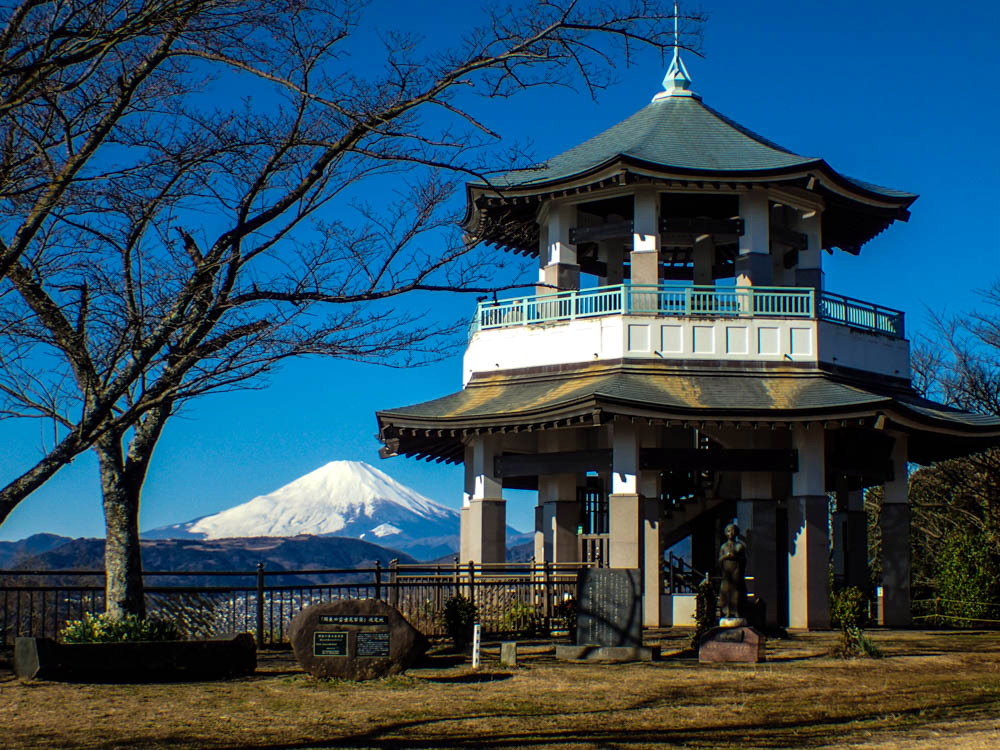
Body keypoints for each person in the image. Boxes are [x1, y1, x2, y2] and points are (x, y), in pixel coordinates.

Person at [717, 522, 747, 620]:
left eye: (733, 531)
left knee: (737, 590)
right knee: (726, 591)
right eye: (729, 531)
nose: (731, 533)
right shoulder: (723, 547)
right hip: (727, 572)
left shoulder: (740, 546)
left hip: (736, 571)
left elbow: (744, 559)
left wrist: (736, 557)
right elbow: (719, 560)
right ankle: (727, 611)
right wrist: (726, 556)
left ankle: (737, 611)